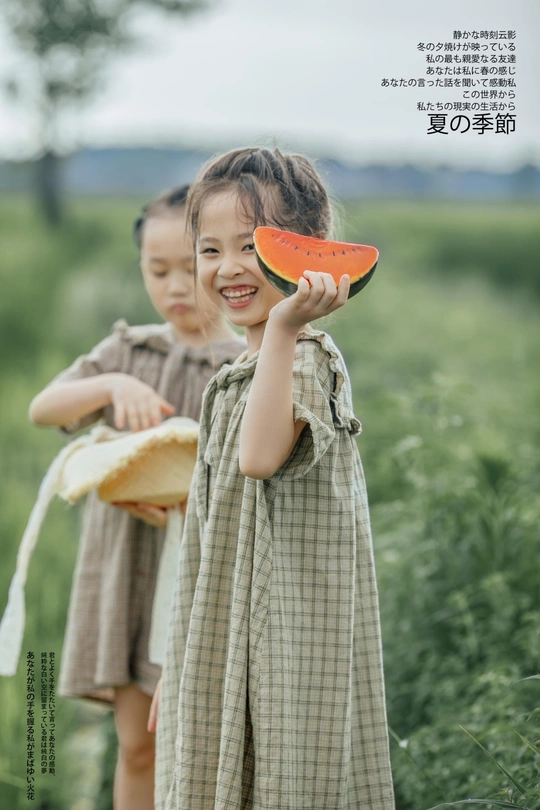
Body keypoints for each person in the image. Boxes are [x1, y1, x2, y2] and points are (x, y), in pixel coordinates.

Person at [153, 149, 395, 810]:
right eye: (209, 250)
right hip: (228, 629)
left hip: (284, 638)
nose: (228, 268)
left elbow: (260, 458)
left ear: (309, 252)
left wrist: (286, 324)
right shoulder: (242, 371)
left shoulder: (305, 358)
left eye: (251, 246)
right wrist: (185, 658)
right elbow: (214, 535)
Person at [28, 185, 246, 810]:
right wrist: (113, 386)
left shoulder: (246, 364)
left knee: (205, 751)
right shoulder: (127, 351)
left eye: (190, 265)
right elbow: (44, 408)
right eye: (157, 270)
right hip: (126, 574)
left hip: (203, 580)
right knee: (137, 746)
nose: (175, 286)